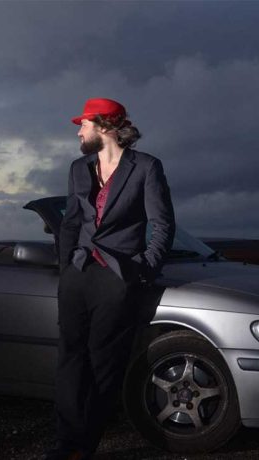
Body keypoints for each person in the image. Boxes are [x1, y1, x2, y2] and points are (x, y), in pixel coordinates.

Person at [47, 98, 176, 459]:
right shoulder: (78, 168)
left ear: (105, 126)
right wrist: (66, 267)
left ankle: (84, 446)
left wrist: (143, 270)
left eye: (83, 124)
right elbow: (72, 221)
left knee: (103, 364)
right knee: (69, 359)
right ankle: (66, 441)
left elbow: (162, 225)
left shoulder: (146, 167)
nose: (78, 131)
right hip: (78, 274)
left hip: (118, 276)